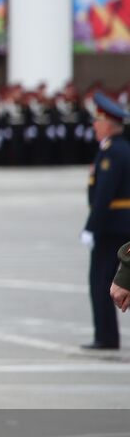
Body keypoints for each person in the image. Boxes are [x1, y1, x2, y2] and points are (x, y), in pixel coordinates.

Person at [82, 93, 130, 350]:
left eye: (97, 121)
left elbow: (104, 195)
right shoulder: (117, 149)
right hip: (118, 225)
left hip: (112, 227)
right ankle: (106, 334)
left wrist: (91, 227)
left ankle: (106, 336)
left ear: (109, 125)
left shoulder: (114, 152)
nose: (94, 126)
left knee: (102, 281)